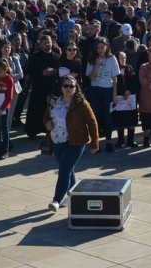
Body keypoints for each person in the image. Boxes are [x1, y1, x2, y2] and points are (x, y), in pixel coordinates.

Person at [44, 75, 99, 213]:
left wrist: (94, 143)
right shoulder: (54, 101)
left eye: (71, 86)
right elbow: (46, 117)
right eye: (65, 86)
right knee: (69, 171)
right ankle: (75, 197)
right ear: (61, 87)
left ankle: (56, 200)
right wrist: (47, 123)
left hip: (76, 142)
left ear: (76, 88)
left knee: (63, 171)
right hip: (57, 142)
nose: (68, 89)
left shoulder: (81, 103)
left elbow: (92, 122)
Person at [84, 38, 120, 152]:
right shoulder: (92, 59)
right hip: (95, 90)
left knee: (108, 115)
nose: (100, 50)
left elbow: (115, 79)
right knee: (95, 115)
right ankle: (96, 142)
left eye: (102, 47)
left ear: (106, 47)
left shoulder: (112, 59)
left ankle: (109, 141)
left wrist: (114, 95)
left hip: (107, 90)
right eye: (98, 47)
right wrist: (97, 65)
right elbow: (91, 77)